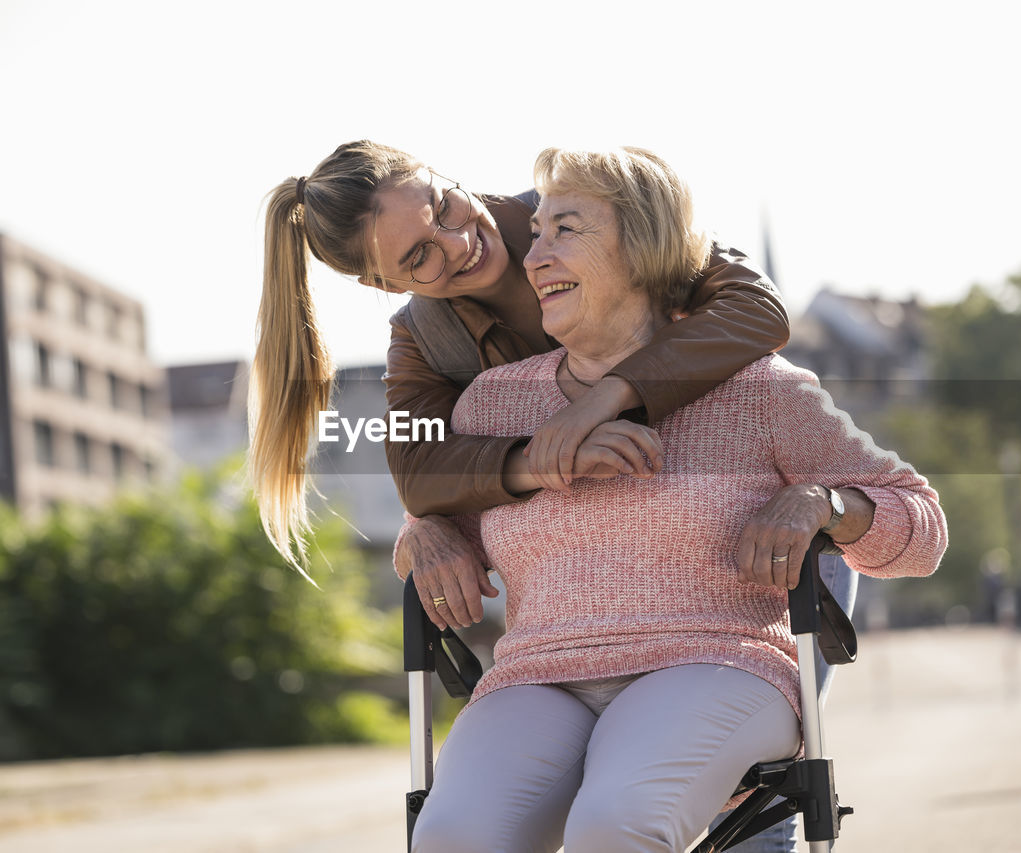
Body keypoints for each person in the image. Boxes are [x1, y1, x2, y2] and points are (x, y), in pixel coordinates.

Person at [251, 140, 856, 851]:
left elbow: (758, 311)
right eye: (417, 258)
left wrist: (602, 400)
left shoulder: (583, 209)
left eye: (444, 204)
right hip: (587, 609)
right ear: (384, 284)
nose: (457, 241)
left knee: (746, 802)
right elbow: (419, 463)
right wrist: (459, 506)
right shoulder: (422, 341)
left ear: (443, 173)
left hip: (757, 545)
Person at [401, 146, 947, 852]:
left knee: (615, 824)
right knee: (451, 838)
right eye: (535, 234)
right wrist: (424, 531)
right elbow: (441, 509)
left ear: (645, 245)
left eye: (565, 229)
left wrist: (822, 502)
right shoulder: (492, 402)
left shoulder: (759, 387)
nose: (534, 256)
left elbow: (921, 524)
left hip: (715, 658)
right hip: (538, 674)